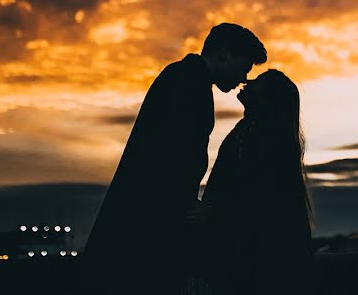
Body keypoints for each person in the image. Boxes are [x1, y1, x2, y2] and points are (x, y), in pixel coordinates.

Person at [84, 23, 266, 295]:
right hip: (150, 227)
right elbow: (173, 161)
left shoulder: (183, 77)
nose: (243, 77)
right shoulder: (190, 83)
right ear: (225, 54)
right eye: (244, 66)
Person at [190, 69, 314, 295]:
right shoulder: (248, 129)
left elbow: (264, 201)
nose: (247, 81)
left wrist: (213, 214)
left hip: (255, 261)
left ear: (268, 98)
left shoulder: (271, 138)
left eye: (258, 81)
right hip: (243, 256)